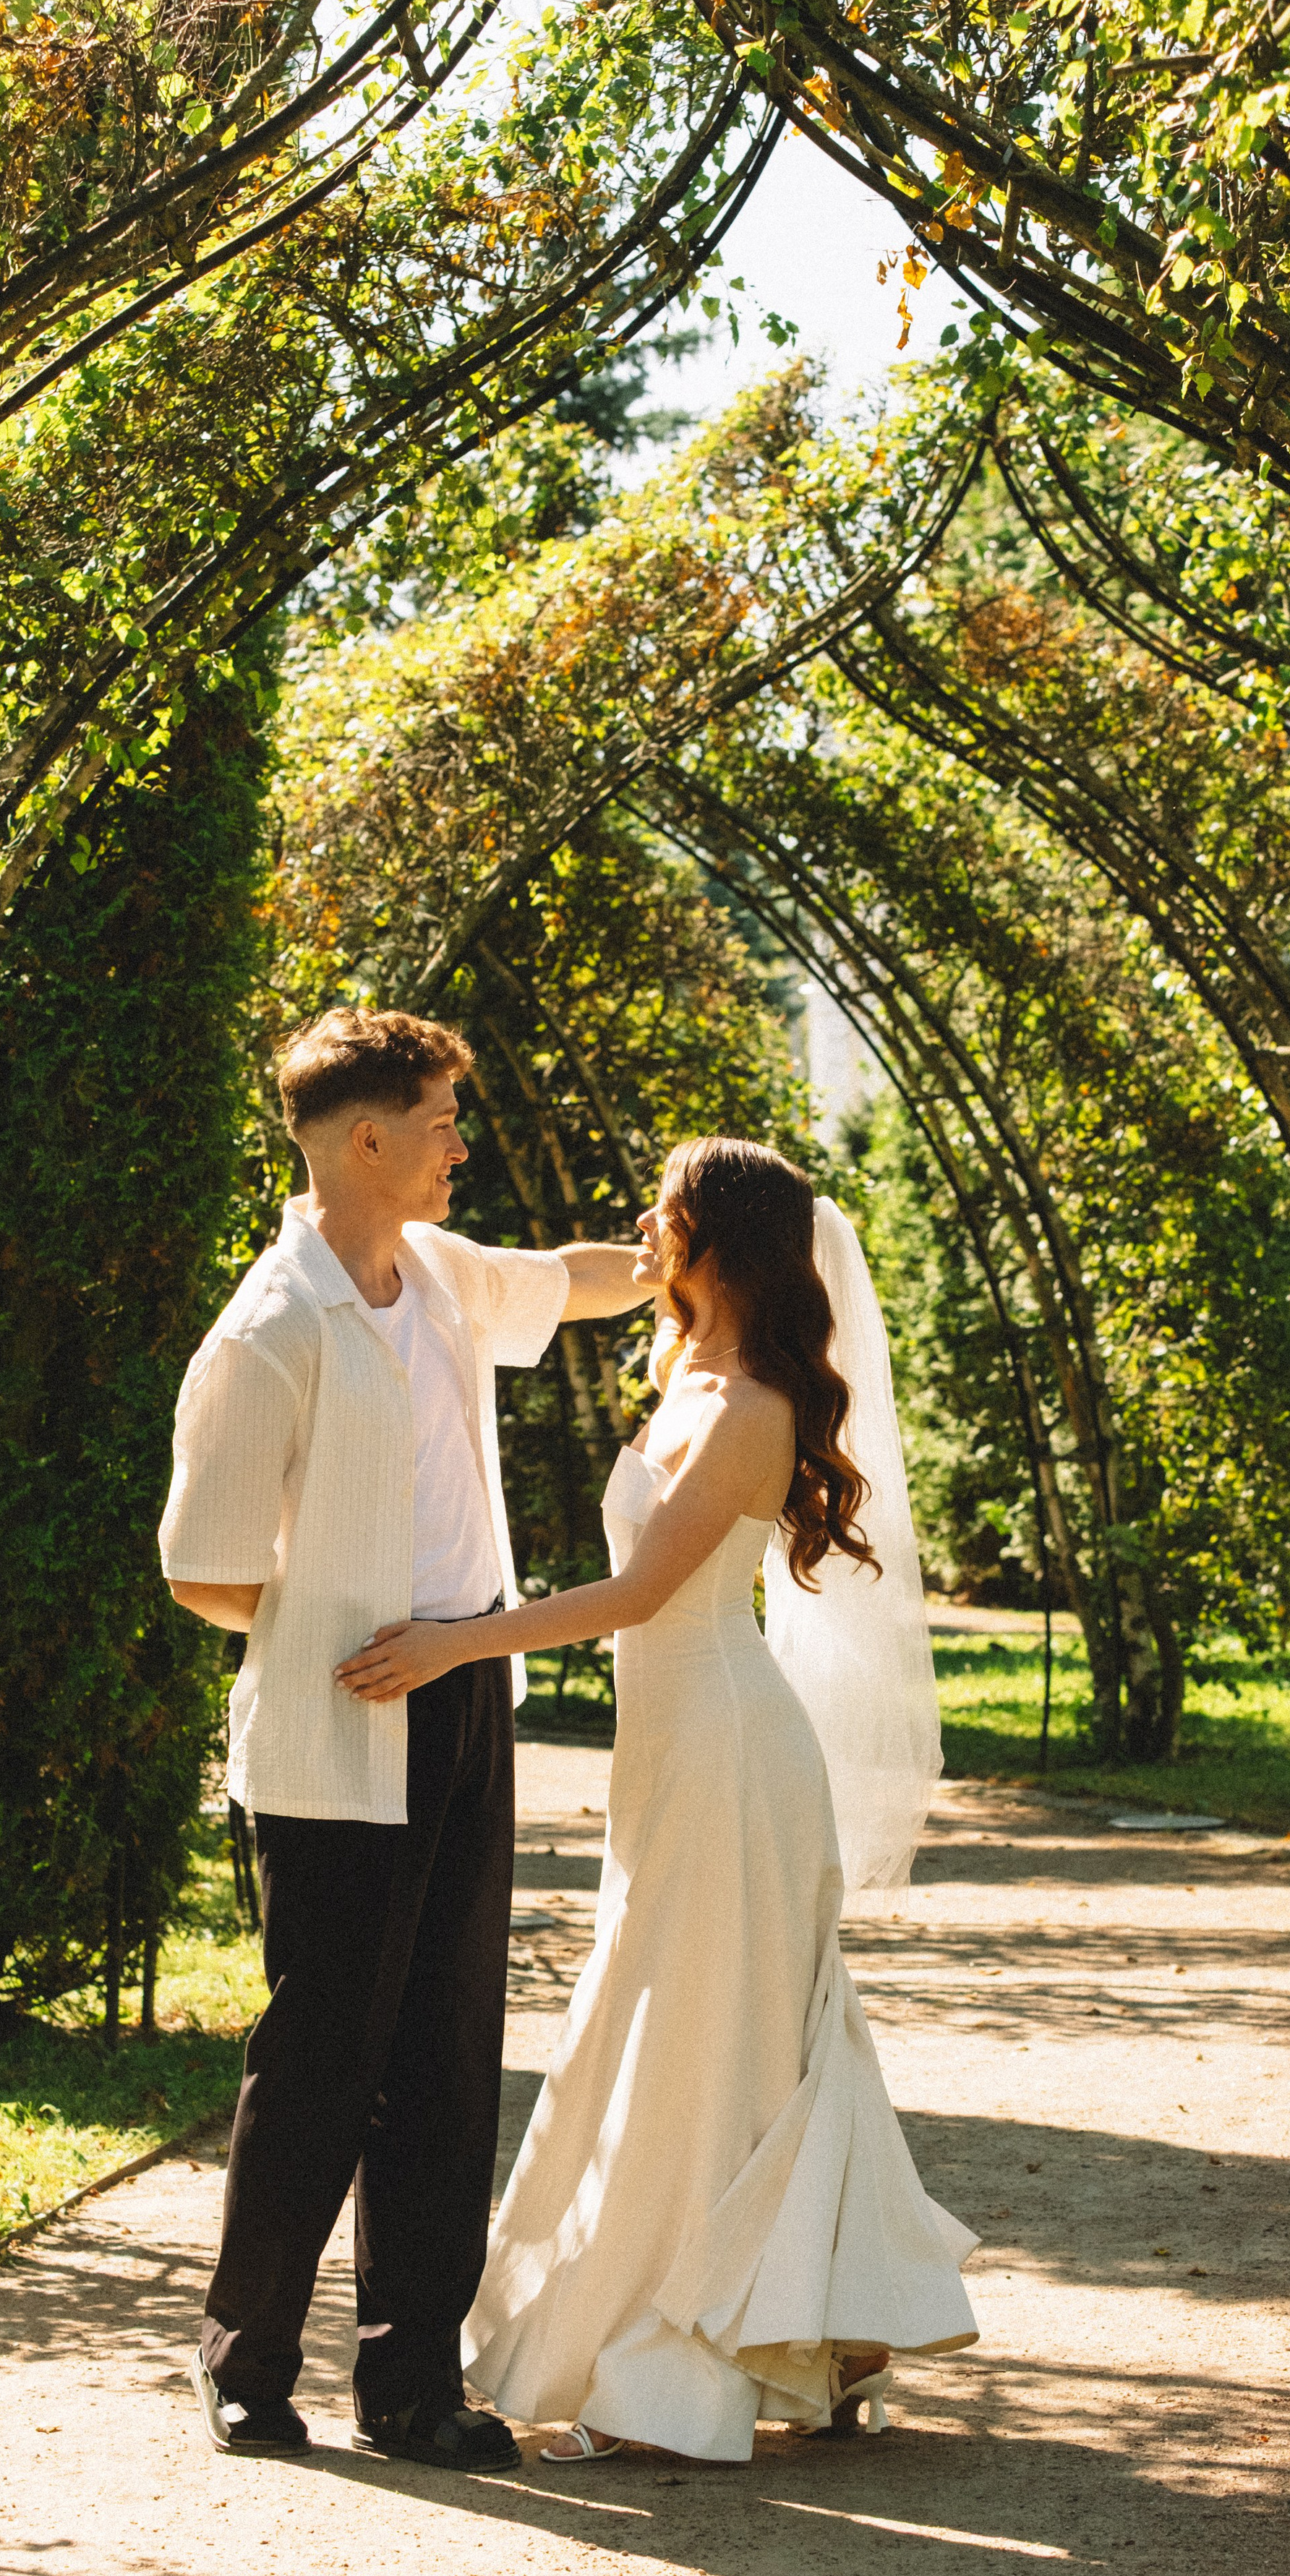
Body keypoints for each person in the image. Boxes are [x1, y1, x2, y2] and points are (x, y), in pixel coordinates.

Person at [336, 1136, 978, 2462]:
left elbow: (637, 1599)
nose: (642, 1220)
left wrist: (454, 1640)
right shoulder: (688, 1365)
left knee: (702, 2041)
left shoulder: (751, 1407)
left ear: (717, 1238)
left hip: (733, 1752)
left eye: (665, 1207)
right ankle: (821, 2328)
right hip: (672, 1750)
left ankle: (709, 2344)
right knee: (679, 2028)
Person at [159, 1008, 652, 2469]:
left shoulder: (435, 1271)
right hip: (334, 1730)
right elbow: (202, 1560)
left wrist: (691, 1246)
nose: (460, 1142)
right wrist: (330, 1635)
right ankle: (245, 2364)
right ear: (364, 1137)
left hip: (466, 1697)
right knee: (322, 2054)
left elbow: (568, 1284)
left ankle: (412, 2386)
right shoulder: (268, 1331)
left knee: (445, 2050)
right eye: (442, 1118)